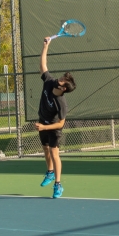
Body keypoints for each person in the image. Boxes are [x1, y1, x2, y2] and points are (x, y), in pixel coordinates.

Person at [36, 37, 76, 198]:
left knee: (54, 153)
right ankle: (50, 172)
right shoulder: (49, 82)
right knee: (45, 149)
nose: (61, 79)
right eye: (62, 77)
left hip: (53, 128)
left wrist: (45, 127)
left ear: (64, 88)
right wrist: (46, 46)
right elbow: (43, 66)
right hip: (42, 123)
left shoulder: (61, 103)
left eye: (63, 80)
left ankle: (58, 185)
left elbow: (60, 124)